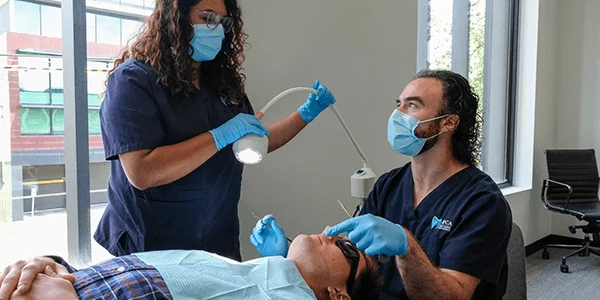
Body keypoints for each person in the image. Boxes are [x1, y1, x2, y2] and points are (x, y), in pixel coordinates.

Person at [96, 0, 336, 261]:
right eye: (207, 17)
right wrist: (219, 136)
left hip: (217, 242)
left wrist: (307, 113)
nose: (216, 29)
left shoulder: (222, 85)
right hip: (152, 244)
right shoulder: (133, 82)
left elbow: (254, 141)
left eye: (223, 22)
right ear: (174, 19)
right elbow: (142, 172)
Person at [253, 70, 513, 300]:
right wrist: (288, 262)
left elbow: (453, 296)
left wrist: (407, 247)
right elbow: (356, 265)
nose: (397, 114)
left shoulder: (481, 202)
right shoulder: (389, 185)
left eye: (412, 106)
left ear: (448, 122)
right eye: (398, 105)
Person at [0, 229, 382, 300]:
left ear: (339, 295)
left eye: (348, 250)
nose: (332, 235)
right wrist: (50, 264)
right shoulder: (226, 268)